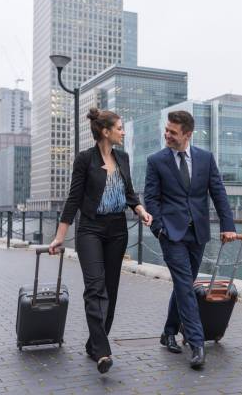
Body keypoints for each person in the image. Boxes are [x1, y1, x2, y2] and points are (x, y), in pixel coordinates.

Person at [49, 108, 152, 375]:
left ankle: (95, 342)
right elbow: (73, 199)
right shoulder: (85, 159)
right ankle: (103, 352)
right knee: (95, 289)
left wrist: (141, 211)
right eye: (119, 127)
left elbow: (130, 193)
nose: (123, 131)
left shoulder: (124, 158)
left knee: (111, 292)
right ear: (105, 131)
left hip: (117, 229)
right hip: (91, 230)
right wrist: (60, 237)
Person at [144, 110, 237, 369]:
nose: (167, 135)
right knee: (185, 285)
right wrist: (159, 229)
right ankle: (196, 343)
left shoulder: (205, 159)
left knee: (183, 284)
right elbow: (150, 198)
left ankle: (168, 331)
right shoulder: (156, 161)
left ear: (187, 134)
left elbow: (218, 193)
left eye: (173, 132)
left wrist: (228, 226)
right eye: (167, 130)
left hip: (198, 233)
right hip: (170, 234)